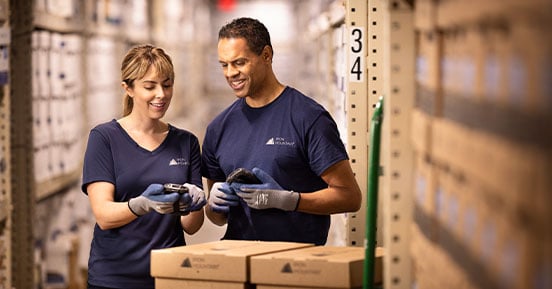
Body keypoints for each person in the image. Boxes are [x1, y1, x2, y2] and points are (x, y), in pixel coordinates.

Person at [201, 17, 362, 246]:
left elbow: (349, 197)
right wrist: (214, 205)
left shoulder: (308, 117)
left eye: (239, 62)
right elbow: (217, 218)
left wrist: (288, 200)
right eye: (224, 65)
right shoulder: (218, 128)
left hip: (297, 263)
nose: (230, 73)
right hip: (238, 259)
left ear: (266, 55)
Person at [81, 44, 206, 289]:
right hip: (115, 278)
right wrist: (143, 204)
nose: (161, 94)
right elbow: (104, 215)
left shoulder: (186, 142)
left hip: (169, 275)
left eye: (167, 85)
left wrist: (194, 203)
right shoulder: (104, 138)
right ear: (128, 88)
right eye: (150, 86)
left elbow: (191, 226)